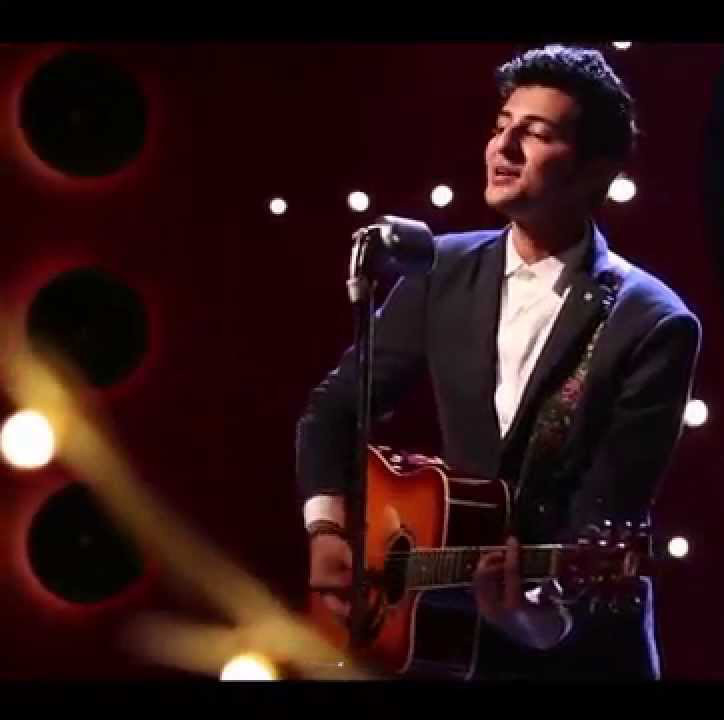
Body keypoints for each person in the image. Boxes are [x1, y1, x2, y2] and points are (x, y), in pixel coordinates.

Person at [294, 44, 701, 681]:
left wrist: (540, 618)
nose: (503, 147)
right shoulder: (441, 268)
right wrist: (327, 530)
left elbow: (609, 510)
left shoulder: (652, 321)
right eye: (501, 125)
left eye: (534, 133)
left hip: (579, 654)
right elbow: (335, 409)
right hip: (440, 641)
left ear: (596, 170)